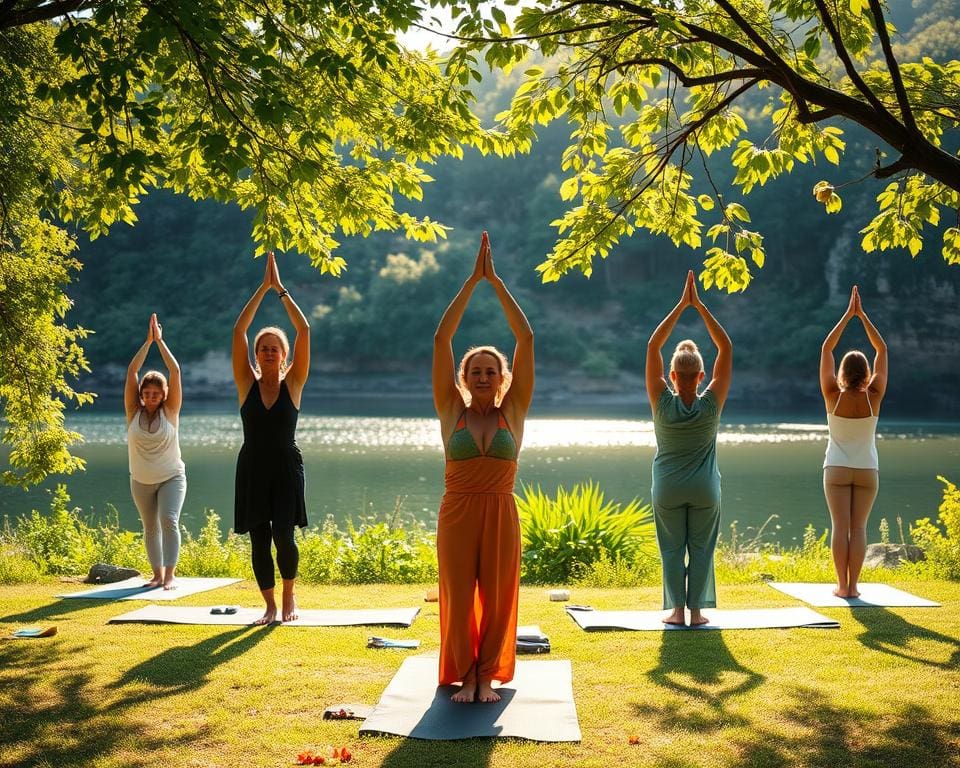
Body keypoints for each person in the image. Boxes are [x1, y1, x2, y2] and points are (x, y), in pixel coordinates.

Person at [432, 231, 534, 703]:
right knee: (456, 596)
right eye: (476, 370)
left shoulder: (512, 413)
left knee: (497, 595)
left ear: (502, 377)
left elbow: (525, 337)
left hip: (500, 511)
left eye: (491, 370)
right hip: (457, 511)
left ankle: (487, 674)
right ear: (465, 378)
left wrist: (496, 283)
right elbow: (442, 338)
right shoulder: (451, 411)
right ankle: (464, 673)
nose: (484, 376)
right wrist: (472, 282)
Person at [646, 271, 732, 626]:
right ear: (700, 377)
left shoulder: (661, 402)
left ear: (671, 375)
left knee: (671, 548)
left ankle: (676, 611)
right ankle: (697, 613)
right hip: (704, 488)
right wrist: (700, 307)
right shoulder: (711, 403)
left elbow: (653, 346)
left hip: (667, 486)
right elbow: (725, 348)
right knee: (701, 548)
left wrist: (681, 306)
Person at [232, 251, 310, 624]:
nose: (266, 351)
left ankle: (290, 596)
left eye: (273, 348)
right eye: (262, 347)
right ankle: (269, 605)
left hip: (285, 467)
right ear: (256, 355)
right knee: (259, 540)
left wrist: (280, 291)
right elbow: (238, 332)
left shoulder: (293, 384)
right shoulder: (246, 383)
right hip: (252, 467)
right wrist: (260, 288)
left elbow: (305, 331)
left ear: (283, 355)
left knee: (284, 537)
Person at [820, 285, 887, 598]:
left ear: (843, 372)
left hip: (836, 468)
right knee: (858, 529)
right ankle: (854, 587)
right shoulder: (874, 396)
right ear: (867, 374)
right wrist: (863, 316)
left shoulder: (832, 396)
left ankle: (841, 586)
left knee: (840, 527)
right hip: (866, 470)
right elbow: (882, 351)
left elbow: (826, 351)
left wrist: (848, 316)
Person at [125, 313, 186, 590]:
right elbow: (131, 372)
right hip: (140, 480)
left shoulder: (170, 411)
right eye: (146, 393)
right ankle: (157, 575)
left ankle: (170, 575)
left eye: (155, 393)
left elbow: (174, 372)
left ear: (163, 395)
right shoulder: (132, 412)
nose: (151, 397)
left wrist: (160, 342)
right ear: (141, 395)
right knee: (150, 527)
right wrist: (146, 342)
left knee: (168, 520)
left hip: (171, 476)